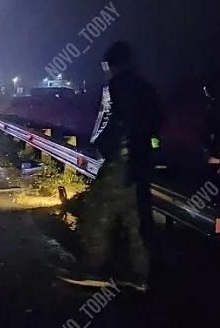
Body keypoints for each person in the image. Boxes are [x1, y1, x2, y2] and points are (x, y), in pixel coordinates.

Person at [64, 42, 161, 292]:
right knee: (136, 218)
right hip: (139, 163)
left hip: (120, 161)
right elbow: (157, 122)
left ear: (114, 64)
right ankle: (141, 276)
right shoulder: (145, 87)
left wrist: (101, 146)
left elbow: (113, 121)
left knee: (98, 211)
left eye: (107, 66)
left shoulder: (118, 86)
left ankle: (93, 269)